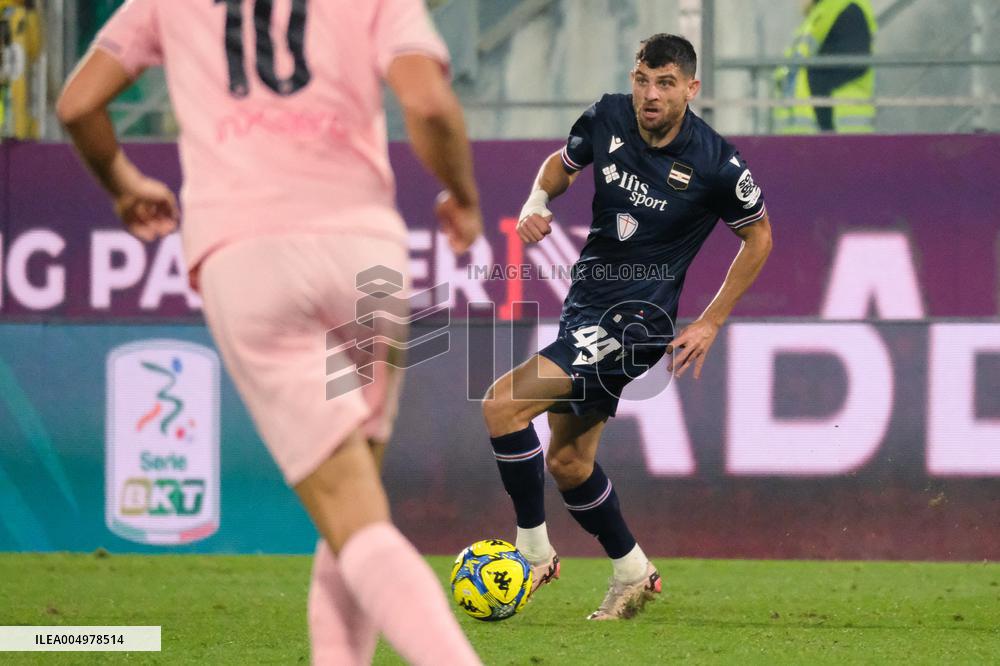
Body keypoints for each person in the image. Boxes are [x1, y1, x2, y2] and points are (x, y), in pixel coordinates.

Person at [57, 0, 482, 664]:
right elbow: (428, 105)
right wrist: (464, 195)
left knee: (351, 517)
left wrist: (122, 182)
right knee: (353, 511)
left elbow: (79, 103)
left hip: (248, 252)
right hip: (365, 258)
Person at [482, 33, 772, 620]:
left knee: (502, 406)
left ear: (692, 89)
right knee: (568, 463)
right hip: (586, 304)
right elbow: (561, 165)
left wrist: (712, 320)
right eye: (643, 79)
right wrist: (537, 202)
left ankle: (533, 552)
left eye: (666, 83)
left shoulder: (717, 162)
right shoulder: (608, 114)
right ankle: (633, 570)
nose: (650, 94)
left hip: (636, 321)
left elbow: (759, 236)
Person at [774, 0, 878, 134]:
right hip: (805, 134)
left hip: (840, 130)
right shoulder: (821, 12)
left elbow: (854, 63)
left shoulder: (847, 8)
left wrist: (826, 128)